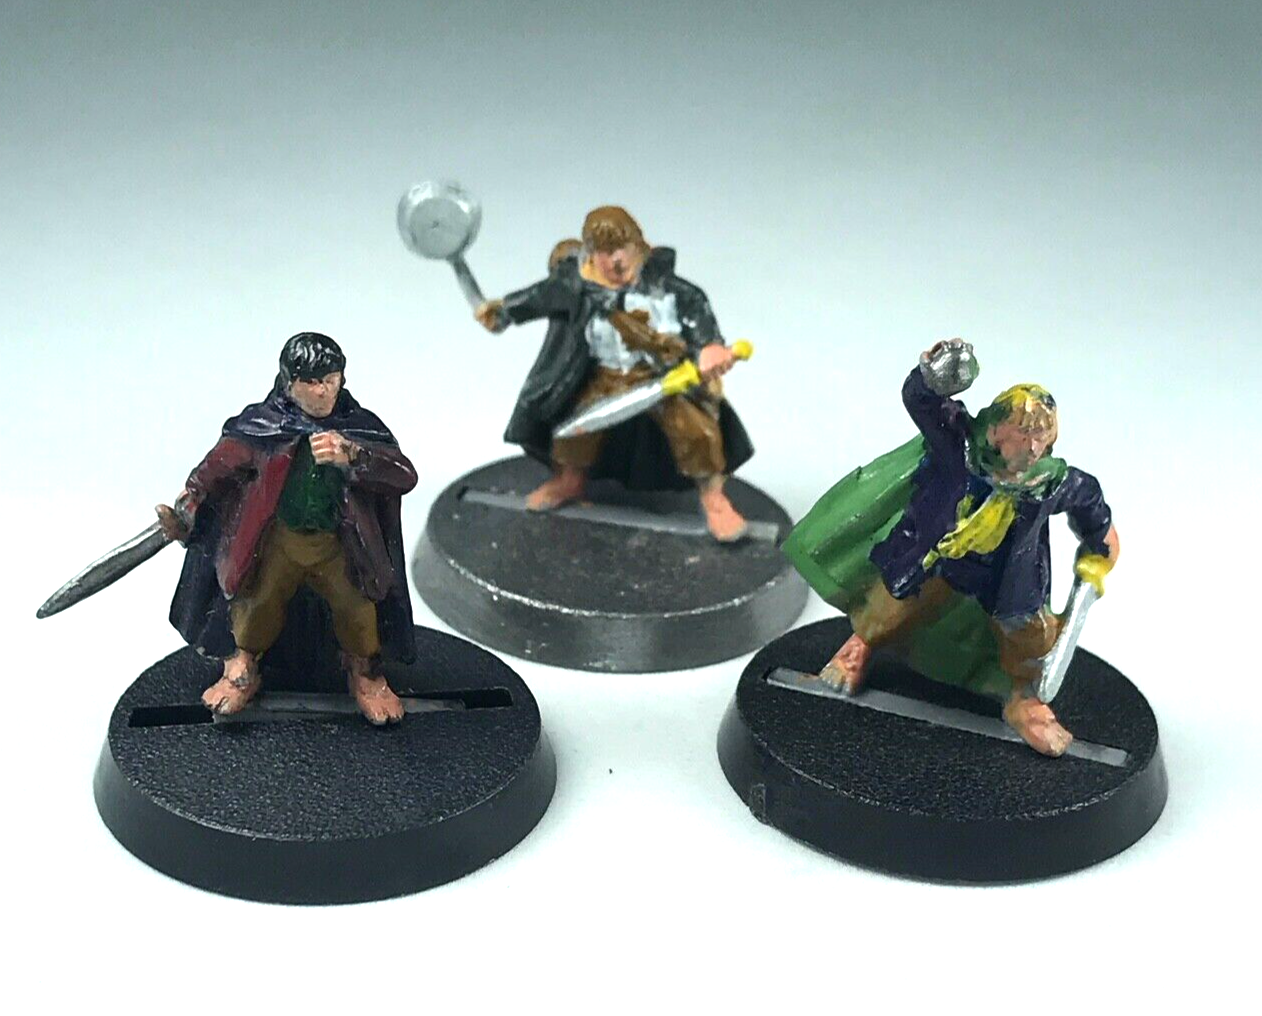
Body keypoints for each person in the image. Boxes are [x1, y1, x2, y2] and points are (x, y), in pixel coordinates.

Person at [782, 339, 1119, 756]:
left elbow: (1095, 516)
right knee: (888, 612)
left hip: (1009, 580)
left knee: (1029, 643)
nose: (1033, 448)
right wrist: (935, 375)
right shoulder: (959, 446)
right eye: (1024, 434)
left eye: (1042, 438)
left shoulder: (1051, 482)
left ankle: (1024, 702)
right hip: (935, 557)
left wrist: (1100, 553)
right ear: (997, 429)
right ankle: (859, 648)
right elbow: (922, 402)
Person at [159, 332, 418, 724]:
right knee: (255, 605)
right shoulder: (263, 427)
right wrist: (191, 500)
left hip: (340, 544)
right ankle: (242, 671)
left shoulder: (358, 427)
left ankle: (365, 676)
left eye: (330, 380)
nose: (322, 391)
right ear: (289, 383)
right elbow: (218, 465)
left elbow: (404, 475)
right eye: (311, 382)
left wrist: (353, 454)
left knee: (357, 609)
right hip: (278, 541)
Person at [473, 206, 754, 542]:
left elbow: (701, 324)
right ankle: (570, 481)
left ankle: (714, 501)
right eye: (604, 252)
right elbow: (537, 299)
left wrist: (710, 349)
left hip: (661, 378)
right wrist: (502, 313)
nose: (615, 262)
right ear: (592, 253)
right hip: (603, 377)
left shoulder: (671, 289)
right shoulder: (576, 284)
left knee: (697, 431)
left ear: (638, 246)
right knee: (573, 428)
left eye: (621, 250)